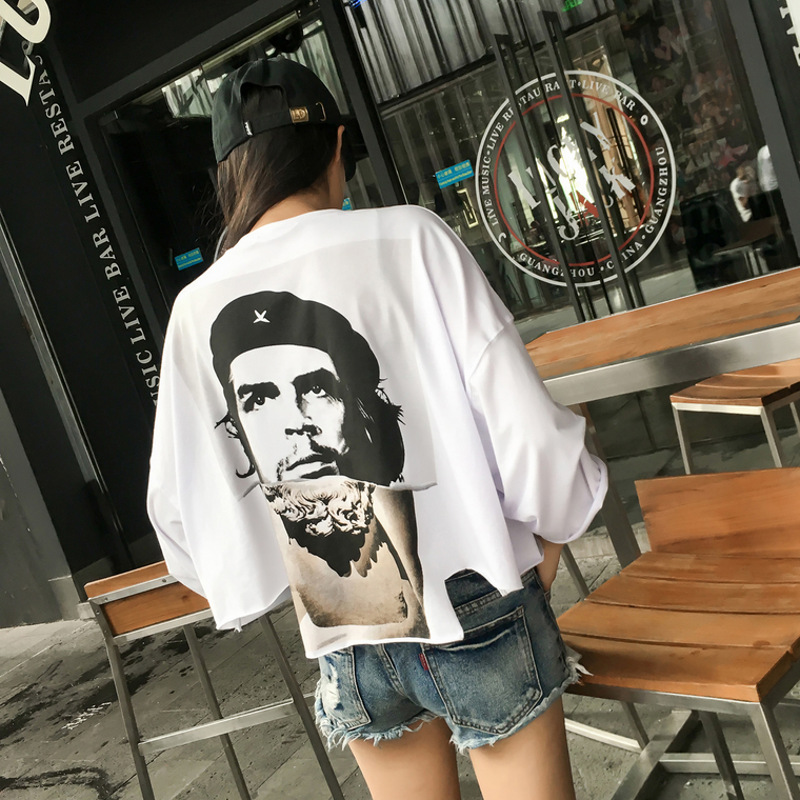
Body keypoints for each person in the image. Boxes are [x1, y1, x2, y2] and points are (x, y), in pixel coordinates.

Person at [147, 58, 607, 800]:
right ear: (337, 147)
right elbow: (526, 433)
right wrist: (550, 538)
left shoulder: (193, 310)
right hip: (475, 597)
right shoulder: (412, 238)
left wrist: (270, 574)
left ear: (231, 176)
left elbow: (178, 515)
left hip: (342, 626)